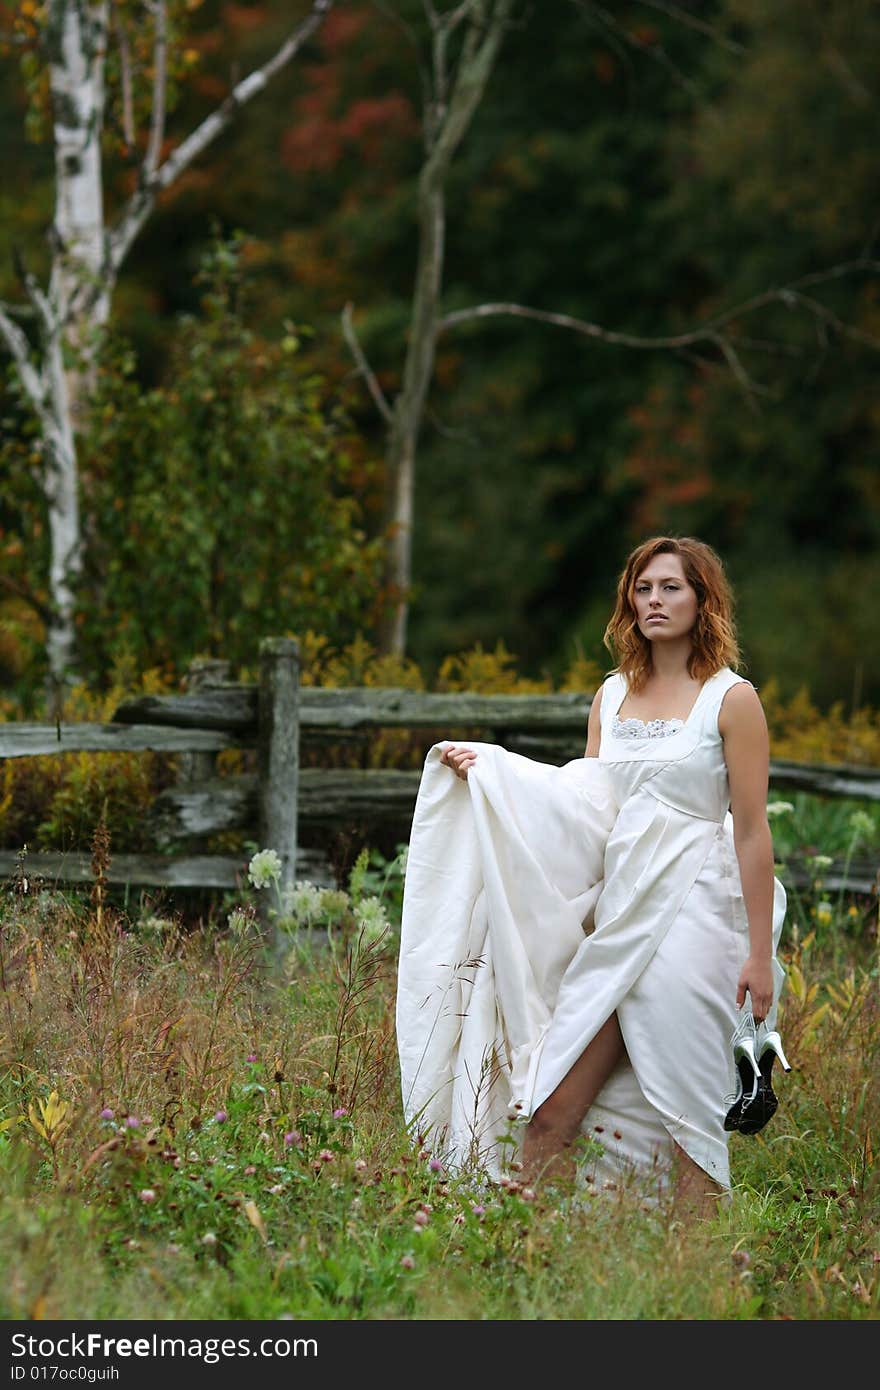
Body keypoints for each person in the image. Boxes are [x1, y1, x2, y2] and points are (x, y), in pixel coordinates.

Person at [395, 536, 786, 1214]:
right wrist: (493, 773)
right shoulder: (611, 697)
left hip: (694, 918)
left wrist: (759, 956)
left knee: (692, 1122)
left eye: (671, 587)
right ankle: (526, 1258)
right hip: (619, 918)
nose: (655, 601)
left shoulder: (732, 700)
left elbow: (751, 830)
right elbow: (582, 809)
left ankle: (692, 1285)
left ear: (703, 600)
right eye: (643, 588)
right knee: (550, 1109)